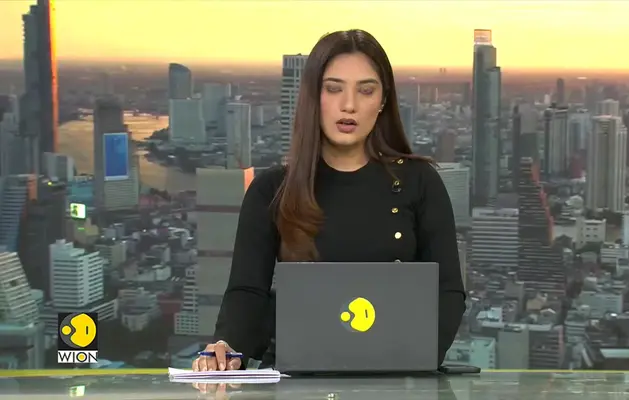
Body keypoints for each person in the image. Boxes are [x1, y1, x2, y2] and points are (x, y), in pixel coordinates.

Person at [193, 29, 466, 372]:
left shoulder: (420, 182)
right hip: (294, 380)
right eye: (334, 88)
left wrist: (413, 361)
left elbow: (448, 291)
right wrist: (227, 346)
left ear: (383, 101)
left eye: (366, 90)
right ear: (313, 96)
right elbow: (247, 292)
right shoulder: (271, 189)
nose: (349, 105)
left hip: (396, 378)